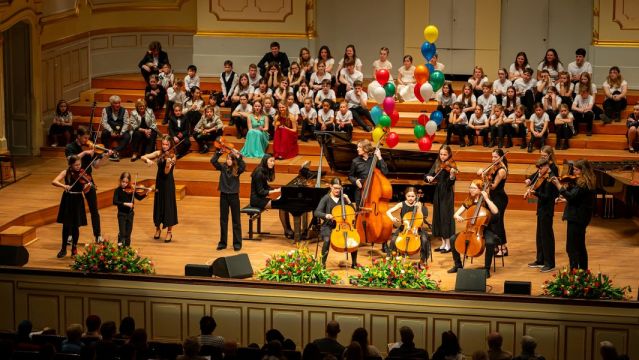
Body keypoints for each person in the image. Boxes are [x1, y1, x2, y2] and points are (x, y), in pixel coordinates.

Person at [65, 126, 111, 243]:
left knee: (94, 209)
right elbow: (70, 160)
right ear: (78, 137)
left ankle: (98, 235)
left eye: (88, 138)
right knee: (73, 209)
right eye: (85, 138)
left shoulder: (91, 148)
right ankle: (70, 235)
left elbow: (96, 165)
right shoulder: (70, 147)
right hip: (74, 180)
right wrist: (84, 152)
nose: (87, 141)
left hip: (87, 179)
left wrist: (106, 156)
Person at [447, 178, 500, 277]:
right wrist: (458, 217)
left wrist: (487, 199)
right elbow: (456, 214)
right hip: (471, 229)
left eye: (474, 188)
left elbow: (496, 212)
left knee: (490, 242)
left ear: (480, 190)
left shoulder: (486, 200)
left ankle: (486, 269)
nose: (471, 190)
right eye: (470, 187)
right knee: (453, 239)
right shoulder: (469, 200)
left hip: (485, 229)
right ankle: (458, 265)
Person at [551, 159, 595, 270]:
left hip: (577, 218)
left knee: (572, 248)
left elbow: (572, 197)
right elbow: (577, 199)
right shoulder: (584, 182)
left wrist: (558, 185)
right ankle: (583, 272)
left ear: (583, 171)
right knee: (580, 246)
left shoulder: (583, 184)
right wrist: (564, 199)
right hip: (580, 216)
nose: (574, 172)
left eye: (576, 170)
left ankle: (574, 272)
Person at [141, 136, 179, 243]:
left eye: (167, 144)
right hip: (159, 182)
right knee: (158, 205)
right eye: (163, 144)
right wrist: (148, 160)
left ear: (170, 145)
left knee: (168, 206)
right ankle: (157, 228)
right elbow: (142, 157)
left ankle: (169, 232)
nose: (165, 146)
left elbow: (166, 172)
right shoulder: (158, 153)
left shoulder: (173, 156)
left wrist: (168, 164)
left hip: (168, 183)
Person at [314, 178, 358, 268]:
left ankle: (354, 263)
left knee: (354, 239)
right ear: (330, 186)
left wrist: (348, 200)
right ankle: (323, 264)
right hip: (328, 225)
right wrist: (326, 215)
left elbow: (353, 211)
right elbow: (317, 212)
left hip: (343, 225)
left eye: (339, 188)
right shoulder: (326, 198)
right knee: (326, 240)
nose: (337, 190)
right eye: (335, 188)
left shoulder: (343, 198)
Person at [525, 157, 559, 272]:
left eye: (540, 168)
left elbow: (547, 197)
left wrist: (535, 193)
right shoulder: (543, 176)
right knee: (540, 236)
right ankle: (540, 260)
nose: (539, 171)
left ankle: (550, 263)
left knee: (547, 237)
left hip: (547, 210)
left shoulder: (551, 178)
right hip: (541, 209)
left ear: (546, 167)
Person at [52, 155, 88, 258]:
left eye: (79, 164)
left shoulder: (82, 173)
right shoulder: (66, 172)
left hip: (78, 200)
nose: (78, 166)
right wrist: (64, 186)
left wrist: (87, 187)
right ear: (71, 165)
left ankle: (74, 249)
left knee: (76, 226)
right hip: (68, 199)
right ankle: (63, 249)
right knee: (66, 225)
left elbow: (85, 186)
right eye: (76, 165)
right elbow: (54, 181)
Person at [211, 146, 245, 251]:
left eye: (231, 159)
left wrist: (238, 156)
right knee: (223, 220)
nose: (229, 161)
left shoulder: (238, 169)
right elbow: (213, 161)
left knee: (236, 220)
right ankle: (223, 242)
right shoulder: (223, 167)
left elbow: (243, 165)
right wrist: (219, 152)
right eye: (228, 159)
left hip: (234, 196)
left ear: (234, 160)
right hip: (224, 196)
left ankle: (237, 243)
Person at [386, 187, 430, 264]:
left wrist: (418, 208)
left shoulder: (418, 204)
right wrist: (392, 218)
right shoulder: (401, 204)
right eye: (408, 196)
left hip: (416, 228)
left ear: (416, 196)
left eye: (412, 196)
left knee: (424, 240)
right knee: (393, 240)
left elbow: (421, 218)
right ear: (405, 196)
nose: (410, 198)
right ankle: (391, 257)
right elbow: (388, 212)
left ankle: (422, 260)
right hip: (404, 228)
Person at [425, 145, 457, 253]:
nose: (442, 156)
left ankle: (449, 245)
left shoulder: (451, 165)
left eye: (445, 154)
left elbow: (450, 183)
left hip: (447, 193)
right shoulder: (437, 162)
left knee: (445, 218)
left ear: (449, 155)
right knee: (438, 217)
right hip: (438, 192)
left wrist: (452, 176)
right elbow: (428, 174)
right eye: (441, 154)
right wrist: (428, 177)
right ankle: (443, 243)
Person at [477, 149, 509, 257]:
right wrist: (482, 171)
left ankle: (502, 248)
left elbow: (493, 186)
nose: (493, 159)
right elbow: (487, 173)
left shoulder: (501, 171)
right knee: (494, 223)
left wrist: (484, 177)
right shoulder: (494, 166)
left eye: (495, 157)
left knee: (499, 223)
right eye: (492, 156)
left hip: (499, 198)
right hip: (493, 198)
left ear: (501, 157)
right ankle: (498, 246)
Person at [249, 155, 288, 236]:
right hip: (256, 200)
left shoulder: (263, 170)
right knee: (282, 206)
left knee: (284, 206)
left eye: (274, 161)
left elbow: (266, 187)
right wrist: (275, 191)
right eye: (271, 161)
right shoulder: (259, 173)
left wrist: (277, 189)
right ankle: (287, 230)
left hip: (260, 199)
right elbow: (261, 192)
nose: (273, 163)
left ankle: (288, 229)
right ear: (265, 161)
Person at [112, 172, 149, 247]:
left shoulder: (131, 189)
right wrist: (126, 204)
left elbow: (139, 198)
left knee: (128, 234)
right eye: (123, 182)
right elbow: (115, 201)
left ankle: (127, 250)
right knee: (122, 233)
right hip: (121, 214)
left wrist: (146, 193)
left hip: (130, 214)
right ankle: (120, 249)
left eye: (126, 182)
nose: (124, 184)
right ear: (120, 180)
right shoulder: (118, 190)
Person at [348, 139, 389, 206]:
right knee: (359, 212)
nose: (357, 149)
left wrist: (379, 157)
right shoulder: (355, 161)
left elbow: (385, 172)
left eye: (359, 147)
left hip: (374, 190)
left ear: (366, 148)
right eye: (357, 147)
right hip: (361, 190)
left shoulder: (374, 159)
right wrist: (355, 181)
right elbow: (350, 176)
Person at [100, 95, 131, 162]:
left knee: (127, 136)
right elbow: (104, 123)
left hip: (120, 131)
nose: (118, 105)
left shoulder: (124, 110)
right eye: (115, 103)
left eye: (119, 103)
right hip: (110, 130)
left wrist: (122, 132)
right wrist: (111, 131)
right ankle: (107, 150)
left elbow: (126, 123)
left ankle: (114, 151)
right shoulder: (105, 110)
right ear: (111, 104)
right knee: (104, 133)